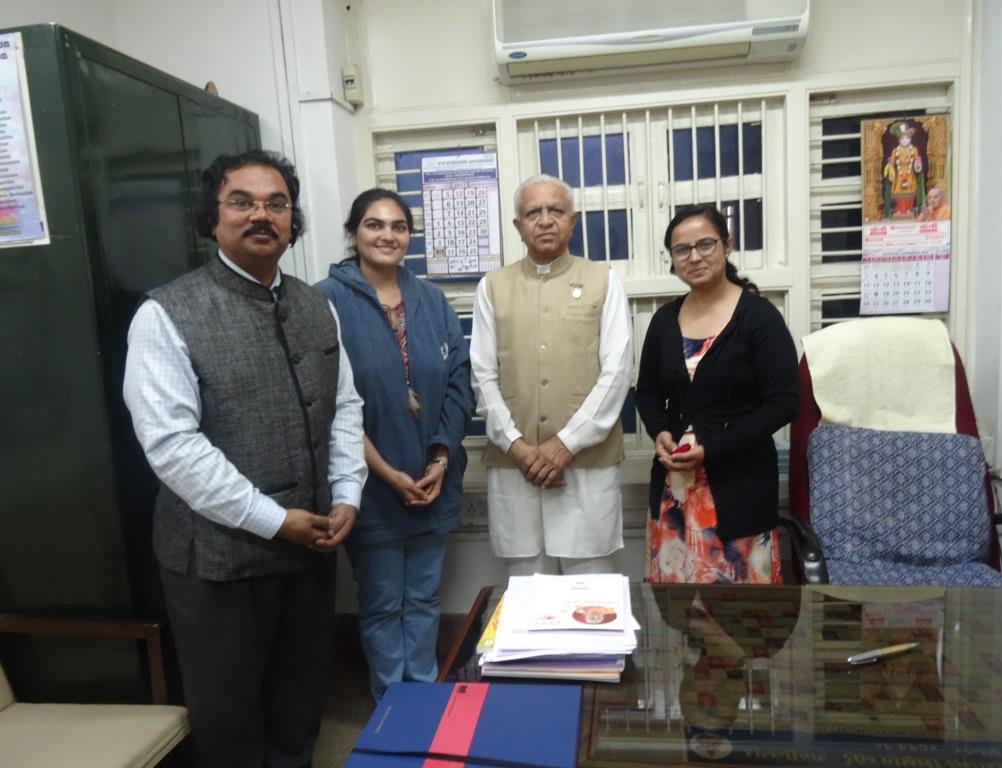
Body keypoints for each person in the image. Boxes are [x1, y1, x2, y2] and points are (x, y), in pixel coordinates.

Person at [123, 150, 367, 768]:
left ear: (292, 220)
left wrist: (347, 492)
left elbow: (343, 405)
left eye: (276, 203)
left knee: (299, 705)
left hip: (309, 551)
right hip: (218, 565)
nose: (262, 214)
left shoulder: (316, 305)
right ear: (212, 218)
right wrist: (273, 520)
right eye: (242, 202)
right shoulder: (166, 314)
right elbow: (172, 445)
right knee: (230, 720)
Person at [317, 189, 473, 701]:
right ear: (354, 233)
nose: (387, 235)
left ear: (410, 236)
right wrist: (385, 472)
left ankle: (422, 698)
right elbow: (328, 402)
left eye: (398, 226)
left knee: (424, 598)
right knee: (383, 604)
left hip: (433, 481)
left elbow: (460, 383)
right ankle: (390, 704)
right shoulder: (325, 301)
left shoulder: (431, 300)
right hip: (371, 487)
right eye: (374, 224)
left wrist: (441, 456)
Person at [470, 174, 633, 577]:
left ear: (572, 221)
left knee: (590, 591)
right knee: (528, 591)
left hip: (586, 465)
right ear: (518, 225)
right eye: (533, 213)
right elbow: (482, 374)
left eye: (555, 210)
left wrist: (565, 444)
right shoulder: (492, 287)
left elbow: (617, 372)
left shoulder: (604, 281)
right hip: (516, 467)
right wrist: (515, 446)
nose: (545, 220)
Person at [635, 204, 797, 584]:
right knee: (675, 610)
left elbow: (784, 402)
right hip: (674, 495)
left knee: (740, 611)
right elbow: (647, 392)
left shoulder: (759, 318)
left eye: (705, 244)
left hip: (740, 490)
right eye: (682, 250)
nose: (694, 257)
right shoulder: (663, 321)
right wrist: (660, 431)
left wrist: (713, 448)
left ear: (727, 245)